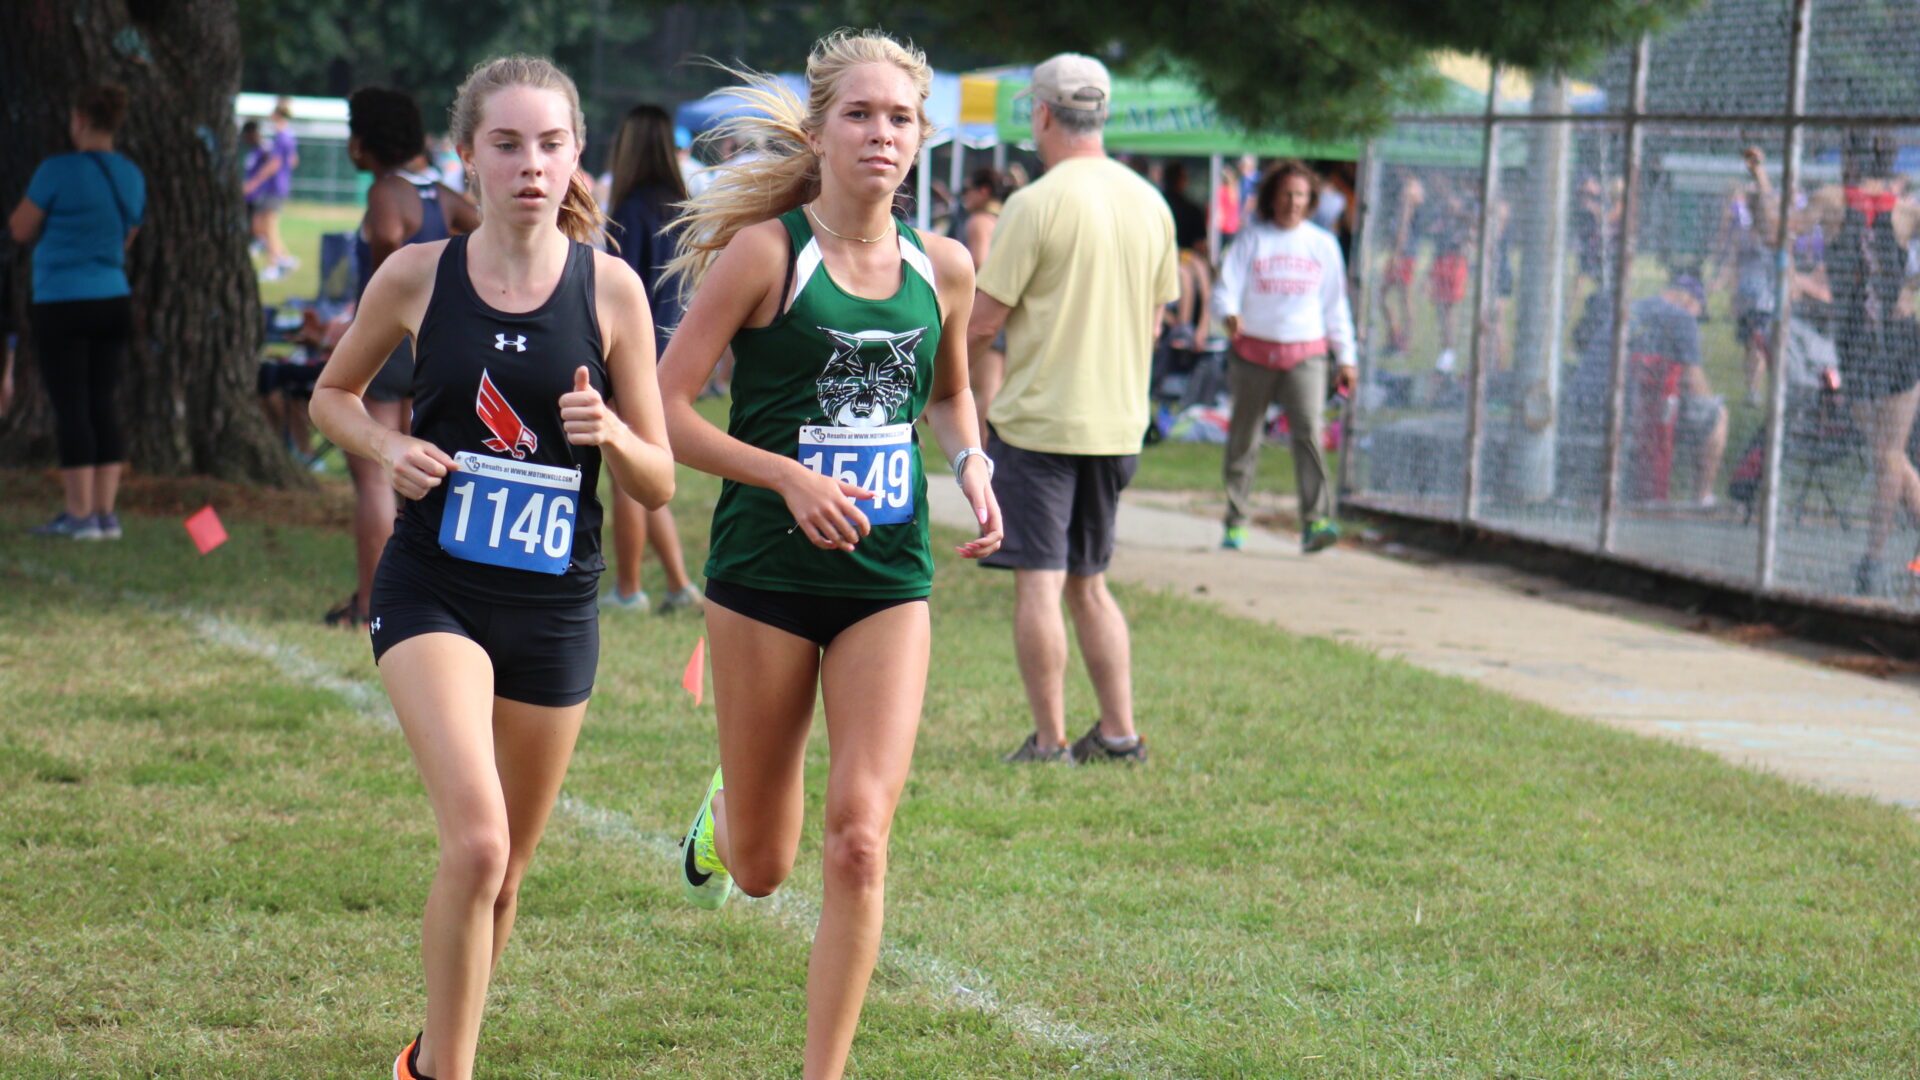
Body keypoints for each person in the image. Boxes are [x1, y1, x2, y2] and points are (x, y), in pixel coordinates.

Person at [310, 55, 675, 1080]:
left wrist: (609, 430)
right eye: (506, 144)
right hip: (435, 587)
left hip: (554, 607)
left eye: (551, 144)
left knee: (507, 873)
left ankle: (431, 1051)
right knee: (476, 843)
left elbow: (657, 484)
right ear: (467, 156)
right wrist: (388, 451)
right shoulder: (419, 274)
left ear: (575, 159)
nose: (530, 164)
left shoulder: (611, 291)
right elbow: (331, 396)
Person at [655, 31, 1001, 1080]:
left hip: (887, 582)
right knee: (764, 868)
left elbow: (944, 393)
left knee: (859, 837)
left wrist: (974, 462)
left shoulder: (944, 265)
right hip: (763, 578)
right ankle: (728, 815)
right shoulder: (766, 253)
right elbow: (665, 411)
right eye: (859, 114)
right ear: (820, 130)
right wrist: (785, 477)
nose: (879, 134)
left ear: (921, 139)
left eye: (899, 118)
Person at [967, 52, 1178, 765]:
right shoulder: (1151, 202)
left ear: (1044, 114)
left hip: (1040, 422)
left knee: (1041, 583)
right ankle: (1119, 734)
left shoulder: (1035, 203)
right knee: (1091, 583)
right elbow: (1155, 320)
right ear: (1105, 114)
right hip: (1118, 421)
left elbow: (982, 321)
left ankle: (1052, 739)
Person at [322, 86, 481, 628]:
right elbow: (486, 232)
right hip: (432, 346)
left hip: (388, 347)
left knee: (373, 477)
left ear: (363, 141)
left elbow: (388, 239)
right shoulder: (439, 193)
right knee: (422, 475)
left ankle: (370, 603)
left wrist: (370, 306)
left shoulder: (386, 192)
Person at [9, 82, 144, 540]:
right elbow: (128, 236)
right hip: (113, 297)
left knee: (71, 407)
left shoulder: (56, 171)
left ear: (80, 119)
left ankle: (78, 512)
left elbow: (20, 228)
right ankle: (106, 514)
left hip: (62, 299)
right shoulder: (130, 174)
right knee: (102, 401)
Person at [1211, 160, 1356, 554]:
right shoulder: (1252, 239)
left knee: (1308, 433)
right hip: (1253, 352)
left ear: (1311, 201)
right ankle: (1236, 520)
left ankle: (1315, 521)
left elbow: (1335, 306)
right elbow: (1225, 288)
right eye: (1286, 194)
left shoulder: (1321, 245)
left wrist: (1346, 357)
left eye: (1301, 196)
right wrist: (1229, 314)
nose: (1292, 202)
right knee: (1245, 437)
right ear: (1272, 197)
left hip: (1305, 353)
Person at [1804, 130, 1920, 594]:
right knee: (1890, 457)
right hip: (1870, 340)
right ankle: (1884, 560)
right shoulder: (1891, 207)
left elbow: (1778, 230)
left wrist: (1910, 288)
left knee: (1888, 455)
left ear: (1851, 160)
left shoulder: (1845, 200)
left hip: (1878, 341)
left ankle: (1872, 560)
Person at [601, 103, 702, 614]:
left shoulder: (632, 209)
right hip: (678, 353)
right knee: (649, 471)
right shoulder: (683, 207)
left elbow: (619, 289)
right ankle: (680, 586)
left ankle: (627, 588)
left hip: (636, 355)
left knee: (627, 470)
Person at [1623, 274, 1728, 506]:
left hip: (1612, 402)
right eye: (1698, 313)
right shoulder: (1682, 318)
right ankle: (1703, 497)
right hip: (1645, 411)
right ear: (1690, 301)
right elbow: (1695, 382)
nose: (1695, 320)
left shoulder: (1632, 307)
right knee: (1717, 414)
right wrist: (1713, 399)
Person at [958, 166, 1011, 436]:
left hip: (985, 307)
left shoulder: (978, 221)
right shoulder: (1006, 219)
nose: (963, 197)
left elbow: (980, 263)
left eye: (967, 190)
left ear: (984, 191)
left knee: (985, 389)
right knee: (995, 386)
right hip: (1007, 307)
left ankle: (982, 451)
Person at [1378, 169, 1424, 356]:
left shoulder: (1409, 189)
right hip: (1404, 250)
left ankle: (1402, 341)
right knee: (1396, 297)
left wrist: (1397, 253)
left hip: (1404, 252)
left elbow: (1404, 223)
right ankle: (1398, 339)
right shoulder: (1415, 187)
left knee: (1397, 297)